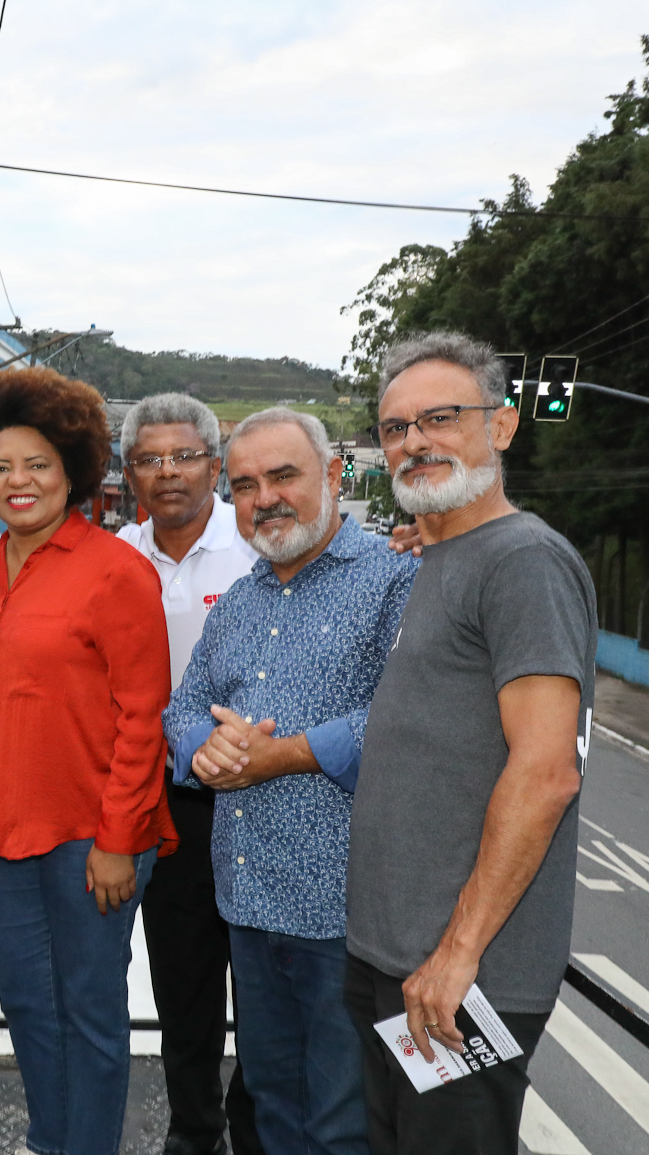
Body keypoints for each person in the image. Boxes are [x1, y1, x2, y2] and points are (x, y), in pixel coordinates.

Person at [346, 333, 594, 1155]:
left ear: (503, 425)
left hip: (460, 983)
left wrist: (457, 955)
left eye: (441, 418)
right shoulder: (444, 553)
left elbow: (547, 771)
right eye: (395, 428)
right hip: (397, 963)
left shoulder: (524, 561)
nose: (415, 440)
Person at [163, 407, 416, 1155]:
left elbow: (408, 720)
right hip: (247, 905)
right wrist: (207, 750)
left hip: (346, 919)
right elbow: (183, 707)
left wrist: (288, 753)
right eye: (245, 485)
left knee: (342, 1122)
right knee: (272, 1107)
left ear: (333, 475)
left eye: (283, 476)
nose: (264, 498)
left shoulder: (397, 577)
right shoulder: (239, 601)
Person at [0, 368, 176, 1155]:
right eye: (1, 466)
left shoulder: (116, 569)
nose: (19, 481)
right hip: (6, 831)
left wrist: (119, 838)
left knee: (89, 1012)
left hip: (93, 836)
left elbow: (144, 716)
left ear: (72, 470)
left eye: (38, 464)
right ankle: (51, 1139)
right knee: (27, 1006)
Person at [115, 394, 264, 1155]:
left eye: (183, 456)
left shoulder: (258, 546)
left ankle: (256, 1121)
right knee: (182, 981)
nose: (167, 472)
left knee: (265, 982)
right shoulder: (117, 555)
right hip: (161, 802)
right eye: (149, 459)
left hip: (259, 793)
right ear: (129, 472)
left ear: (215, 464)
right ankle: (195, 1128)